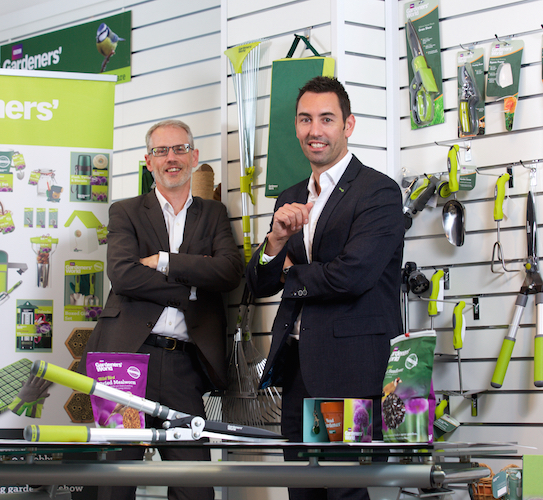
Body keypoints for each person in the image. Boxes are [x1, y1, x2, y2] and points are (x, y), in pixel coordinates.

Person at [246, 76, 405, 500]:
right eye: (305, 119)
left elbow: (352, 276)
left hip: (351, 370)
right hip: (299, 371)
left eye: (326, 119)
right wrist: (276, 243)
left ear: (348, 125)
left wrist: (292, 273)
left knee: (345, 491)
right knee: (303, 490)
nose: (314, 130)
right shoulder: (293, 196)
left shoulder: (379, 192)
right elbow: (259, 282)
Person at [82, 119, 244, 500]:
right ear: (148, 161)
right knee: (114, 484)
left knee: (194, 486)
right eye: (161, 151)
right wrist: (190, 287)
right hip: (124, 362)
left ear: (194, 156)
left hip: (182, 367)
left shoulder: (214, 214)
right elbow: (123, 276)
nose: (171, 158)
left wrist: (165, 261)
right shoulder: (125, 212)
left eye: (179, 149)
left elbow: (229, 272)